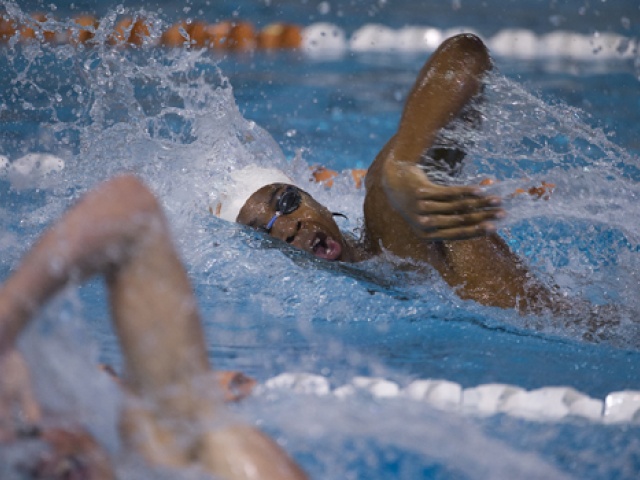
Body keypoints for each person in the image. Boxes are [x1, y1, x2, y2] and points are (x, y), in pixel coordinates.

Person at [220, 33, 560, 314]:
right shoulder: (371, 278)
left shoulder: (388, 215)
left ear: (316, 199)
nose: (288, 228)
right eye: (264, 234)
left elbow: (467, 52)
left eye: (287, 201)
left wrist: (403, 168)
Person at [0, 175, 307, 479]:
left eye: (30, 430)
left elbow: (131, 208)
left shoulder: (174, 451)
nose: (46, 457)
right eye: (25, 468)